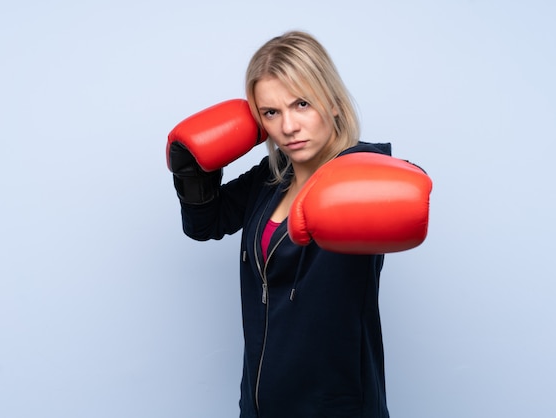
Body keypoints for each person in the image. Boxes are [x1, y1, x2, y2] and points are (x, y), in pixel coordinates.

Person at [167, 31, 431, 418]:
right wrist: (191, 171)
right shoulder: (271, 177)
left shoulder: (363, 176)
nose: (288, 126)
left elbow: (404, 192)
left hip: (335, 408)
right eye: (271, 112)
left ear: (334, 103)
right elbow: (205, 223)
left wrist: (372, 183)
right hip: (260, 402)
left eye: (301, 104)